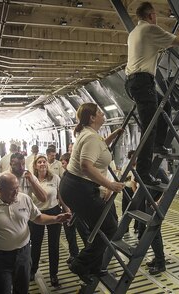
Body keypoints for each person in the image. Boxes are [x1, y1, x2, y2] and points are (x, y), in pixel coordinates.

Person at [125, 2, 179, 186]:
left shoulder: (135, 33)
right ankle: (144, 173)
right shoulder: (150, 30)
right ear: (151, 15)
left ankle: (158, 143)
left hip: (135, 81)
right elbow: (178, 41)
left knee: (166, 105)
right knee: (149, 127)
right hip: (142, 81)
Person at [0, 173, 71, 294]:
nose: (16, 192)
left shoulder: (24, 199)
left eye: (17, 188)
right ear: (0, 189)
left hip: (23, 255)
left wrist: (55, 219)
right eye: (12, 190)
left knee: (22, 289)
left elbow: (37, 218)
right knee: (1, 290)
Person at [59, 102, 124, 283]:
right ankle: (80, 264)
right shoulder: (91, 137)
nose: (103, 114)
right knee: (110, 227)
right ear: (92, 118)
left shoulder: (89, 134)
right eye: (100, 112)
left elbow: (100, 147)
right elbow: (86, 167)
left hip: (74, 186)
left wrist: (113, 135)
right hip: (80, 188)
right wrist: (110, 185)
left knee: (100, 227)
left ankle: (94, 266)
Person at [29, 155, 68, 287]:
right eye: (39, 162)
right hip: (37, 214)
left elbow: (60, 196)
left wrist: (66, 209)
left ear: (47, 164)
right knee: (36, 244)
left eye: (44, 161)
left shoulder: (55, 178)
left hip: (54, 211)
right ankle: (32, 270)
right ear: (35, 165)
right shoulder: (31, 180)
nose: (42, 164)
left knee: (54, 245)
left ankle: (53, 274)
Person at [120, 150, 138, 232]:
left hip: (137, 190)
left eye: (135, 157)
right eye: (132, 157)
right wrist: (130, 178)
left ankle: (137, 227)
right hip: (127, 189)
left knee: (137, 209)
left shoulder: (139, 167)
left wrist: (130, 178)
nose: (134, 159)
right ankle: (125, 228)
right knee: (125, 209)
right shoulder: (125, 166)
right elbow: (123, 178)